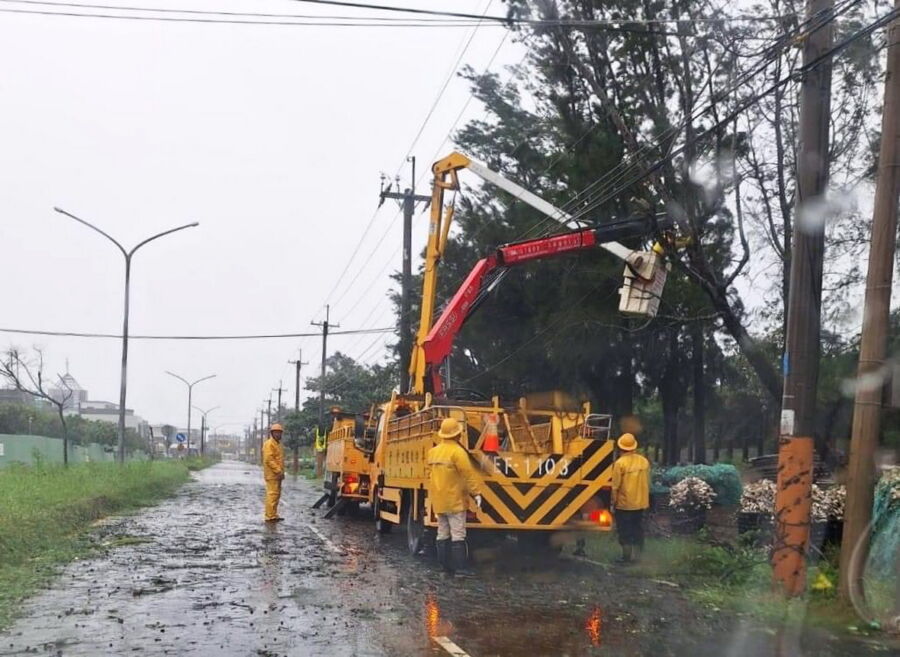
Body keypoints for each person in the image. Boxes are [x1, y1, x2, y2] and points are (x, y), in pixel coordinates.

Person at [426, 417, 482, 577]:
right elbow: (468, 475)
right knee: (458, 534)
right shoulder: (458, 452)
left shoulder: (433, 452)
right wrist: (476, 493)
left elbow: (430, 475)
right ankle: (460, 569)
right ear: (457, 434)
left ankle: (444, 569)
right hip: (455, 500)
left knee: (442, 533)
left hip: (439, 501)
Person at [611, 432, 650, 563]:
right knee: (638, 529)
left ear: (620, 447)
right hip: (641, 504)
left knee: (625, 531)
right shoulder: (644, 461)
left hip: (624, 504)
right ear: (634, 446)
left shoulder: (620, 463)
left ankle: (626, 558)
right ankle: (639, 558)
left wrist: (613, 503)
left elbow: (615, 486)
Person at [263, 423, 285, 523]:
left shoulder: (277, 444)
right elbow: (269, 459)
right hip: (272, 474)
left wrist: (280, 472)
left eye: (279, 432)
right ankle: (269, 516)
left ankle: (273, 514)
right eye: (276, 432)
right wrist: (278, 470)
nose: (278, 434)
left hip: (277, 474)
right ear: (272, 433)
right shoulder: (269, 444)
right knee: (272, 494)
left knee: (276, 495)